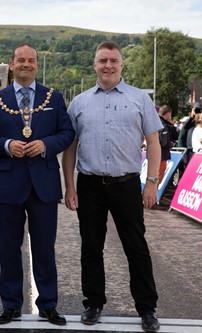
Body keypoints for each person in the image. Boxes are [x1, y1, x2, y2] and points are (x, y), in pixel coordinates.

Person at [61, 41, 161, 332]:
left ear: (121, 65)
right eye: (102, 60)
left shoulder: (140, 99)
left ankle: (147, 308)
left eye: (113, 61)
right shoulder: (79, 102)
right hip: (90, 184)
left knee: (136, 247)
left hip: (127, 185)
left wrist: (151, 182)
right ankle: (93, 303)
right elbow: (70, 148)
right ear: (94, 65)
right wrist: (70, 186)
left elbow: (153, 142)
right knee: (91, 248)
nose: (108, 65)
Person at [0, 44, 74, 326]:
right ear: (11, 65)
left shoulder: (53, 98)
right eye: (21, 60)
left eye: (31, 60)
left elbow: (67, 133)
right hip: (9, 183)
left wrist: (46, 144)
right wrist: (7, 145)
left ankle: (48, 304)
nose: (26, 64)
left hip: (43, 183)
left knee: (45, 246)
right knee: (9, 247)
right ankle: (10, 305)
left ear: (36, 65)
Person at [157, 105, 179, 185]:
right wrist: (172, 144)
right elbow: (164, 142)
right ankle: (152, 197)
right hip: (161, 155)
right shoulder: (163, 125)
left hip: (153, 154)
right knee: (158, 178)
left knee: (153, 178)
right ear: (168, 113)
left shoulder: (155, 121)